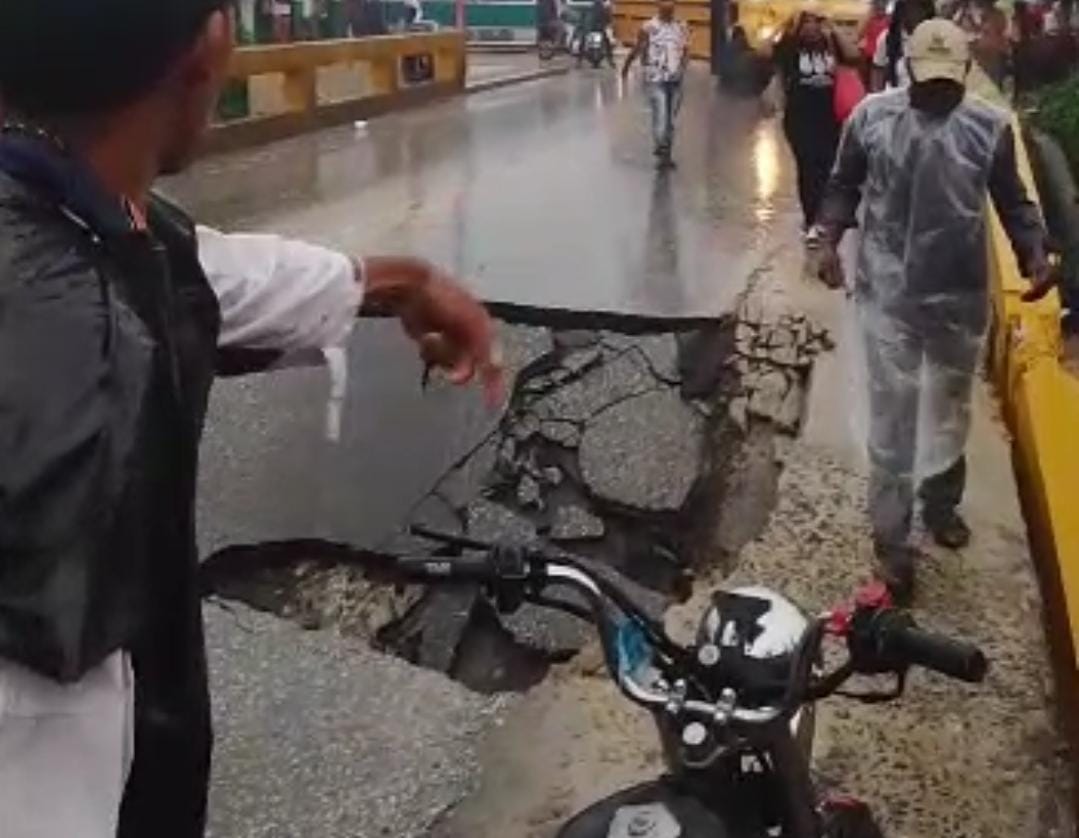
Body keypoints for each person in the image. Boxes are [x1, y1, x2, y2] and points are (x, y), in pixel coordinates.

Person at [0, 2, 504, 837]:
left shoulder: (59, 215)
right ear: (211, 43)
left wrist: (394, 282)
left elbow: (193, 273)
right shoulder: (79, 395)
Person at [816, 20, 1048, 600]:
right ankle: (893, 544)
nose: (937, 93)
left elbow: (1014, 201)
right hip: (888, 298)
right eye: (927, 81)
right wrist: (824, 239)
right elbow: (843, 184)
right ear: (908, 69)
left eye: (949, 82)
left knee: (947, 408)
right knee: (893, 420)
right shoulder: (872, 118)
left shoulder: (988, 128)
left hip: (956, 295)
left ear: (966, 73)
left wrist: (1035, 253)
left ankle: (941, 505)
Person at [770, 8, 860, 234]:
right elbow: (763, 52)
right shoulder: (791, 48)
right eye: (806, 23)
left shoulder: (831, 46)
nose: (811, 27)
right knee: (808, 168)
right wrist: (784, 24)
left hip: (829, 119)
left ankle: (824, 216)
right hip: (799, 119)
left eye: (815, 23)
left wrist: (834, 29)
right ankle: (811, 219)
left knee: (828, 168)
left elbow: (854, 56)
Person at [622, 0, 691, 170]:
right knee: (661, 115)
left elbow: (686, 50)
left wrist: (683, 68)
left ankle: (665, 157)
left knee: (670, 120)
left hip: (675, 80)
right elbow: (638, 48)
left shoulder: (681, 27)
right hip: (656, 79)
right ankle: (661, 145)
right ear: (658, 6)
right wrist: (626, 67)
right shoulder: (648, 28)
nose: (668, 6)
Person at [870, 0, 938, 91]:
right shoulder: (888, 37)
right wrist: (877, 93)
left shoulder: (937, 38)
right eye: (909, 9)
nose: (914, 13)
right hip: (894, 97)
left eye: (919, 9)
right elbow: (878, 68)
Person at [578, 0, 617, 68]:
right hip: (596, 25)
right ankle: (610, 61)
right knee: (606, 42)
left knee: (585, 40)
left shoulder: (597, 4)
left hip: (593, 25)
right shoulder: (601, 5)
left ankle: (579, 61)